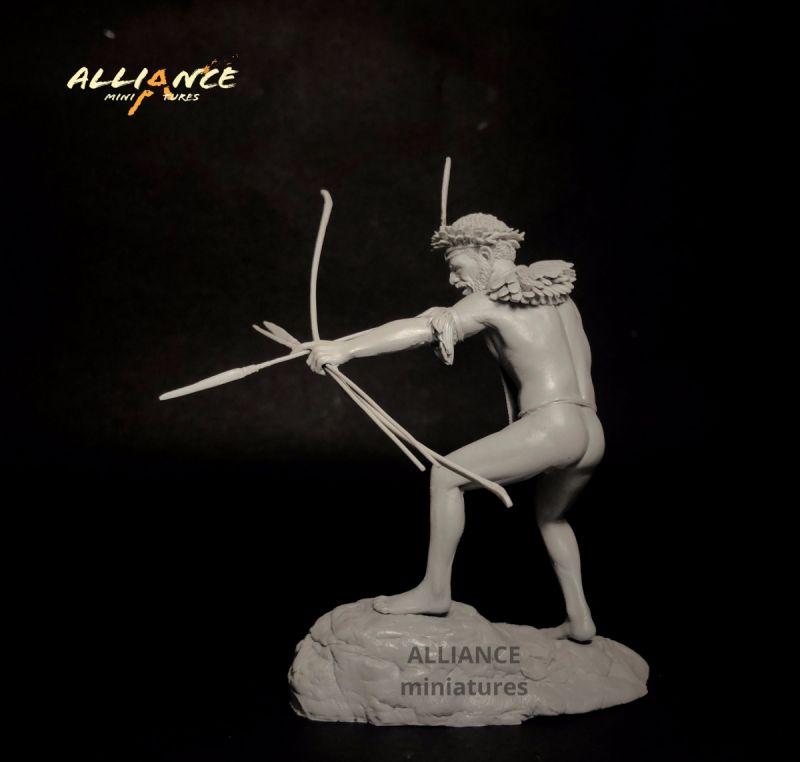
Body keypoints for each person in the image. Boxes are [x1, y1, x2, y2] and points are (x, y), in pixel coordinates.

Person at [305, 212, 604, 642]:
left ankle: (435, 591)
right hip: (590, 431)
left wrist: (344, 349)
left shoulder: (490, 302)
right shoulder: (557, 295)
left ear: (484, 254)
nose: (453, 279)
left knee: (446, 475)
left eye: (457, 266)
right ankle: (580, 619)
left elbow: (419, 329)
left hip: (553, 426)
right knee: (552, 519)